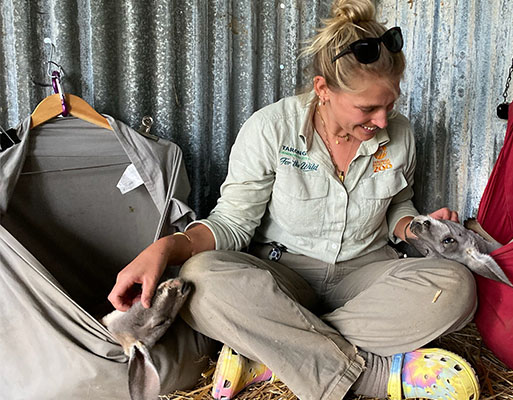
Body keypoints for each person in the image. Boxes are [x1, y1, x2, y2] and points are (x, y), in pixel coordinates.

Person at [108, 1, 479, 399]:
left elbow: (397, 207)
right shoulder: (270, 129)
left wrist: (418, 228)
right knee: (201, 279)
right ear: (323, 89)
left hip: (365, 278)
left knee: (457, 288)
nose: (383, 120)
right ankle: (368, 375)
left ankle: (274, 350)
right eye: (368, 108)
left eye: (390, 104)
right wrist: (166, 247)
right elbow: (232, 225)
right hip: (284, 276)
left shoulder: (399, 135)